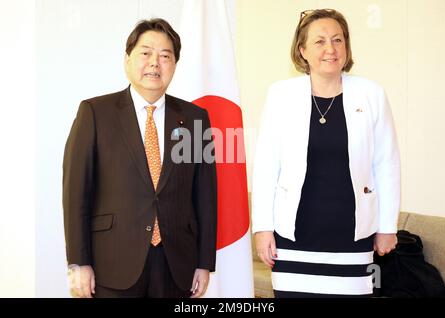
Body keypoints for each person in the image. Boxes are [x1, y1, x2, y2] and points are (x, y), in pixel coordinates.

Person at [63, 18, 217, 298]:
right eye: (146, 53)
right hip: (112, 263)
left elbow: (205, 194)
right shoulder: (95, 113)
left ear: (174, 65)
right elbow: (76, 193)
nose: (155, 63)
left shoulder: (195, 119)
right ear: (128, 59)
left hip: (177, 265)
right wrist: (79, 262)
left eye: (165, 56)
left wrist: (204, 263)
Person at [252, 9, 400, 297]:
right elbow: (266, 166)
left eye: (337, 40)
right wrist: (262, 228)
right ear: (302, 50)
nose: (330, 49)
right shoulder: (280, 95)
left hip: (352, 235)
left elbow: (387, 163)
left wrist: (387, 227)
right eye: (319, 41)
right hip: (293, 235)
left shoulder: (372, 94)